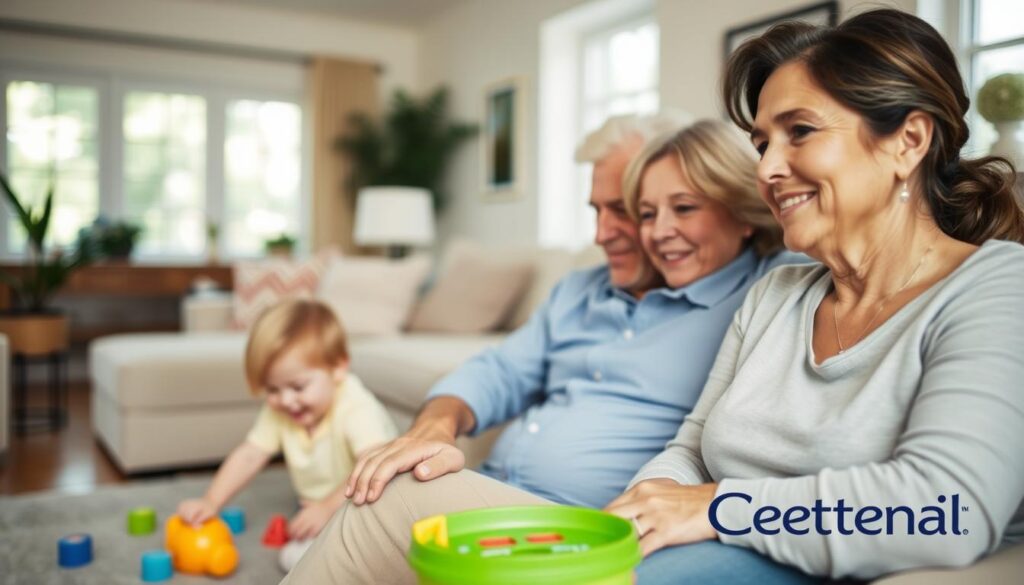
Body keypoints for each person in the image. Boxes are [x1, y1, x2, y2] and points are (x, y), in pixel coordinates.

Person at [283, 114, 806, 583]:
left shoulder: (760, 292)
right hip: (494, 487)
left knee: (392, 503)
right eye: (641, 212)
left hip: (578, 521)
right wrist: (434, 426)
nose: (604, 233)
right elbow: (498, 371)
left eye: (622, 209)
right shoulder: (579, 290)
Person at [605, 9, 1024, 584]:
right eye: (762, 144)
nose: (769, 169)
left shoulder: (999, 287)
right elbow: (692, 451)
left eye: (799, 131)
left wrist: (714, 508)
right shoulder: (775, 294)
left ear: (908, 141)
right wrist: (633, 516)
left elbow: (948, 508)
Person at [177, 299, 397, 545]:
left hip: (370, 500)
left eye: (298, 386)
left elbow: (373, 465)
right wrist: (211, 500)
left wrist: (326, 508)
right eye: (272, 389)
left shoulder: (356, 407)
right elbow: (250, 454)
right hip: (319, 504)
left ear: (338, 367)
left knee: (305, 560)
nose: (286, 400)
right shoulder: (281, 409)